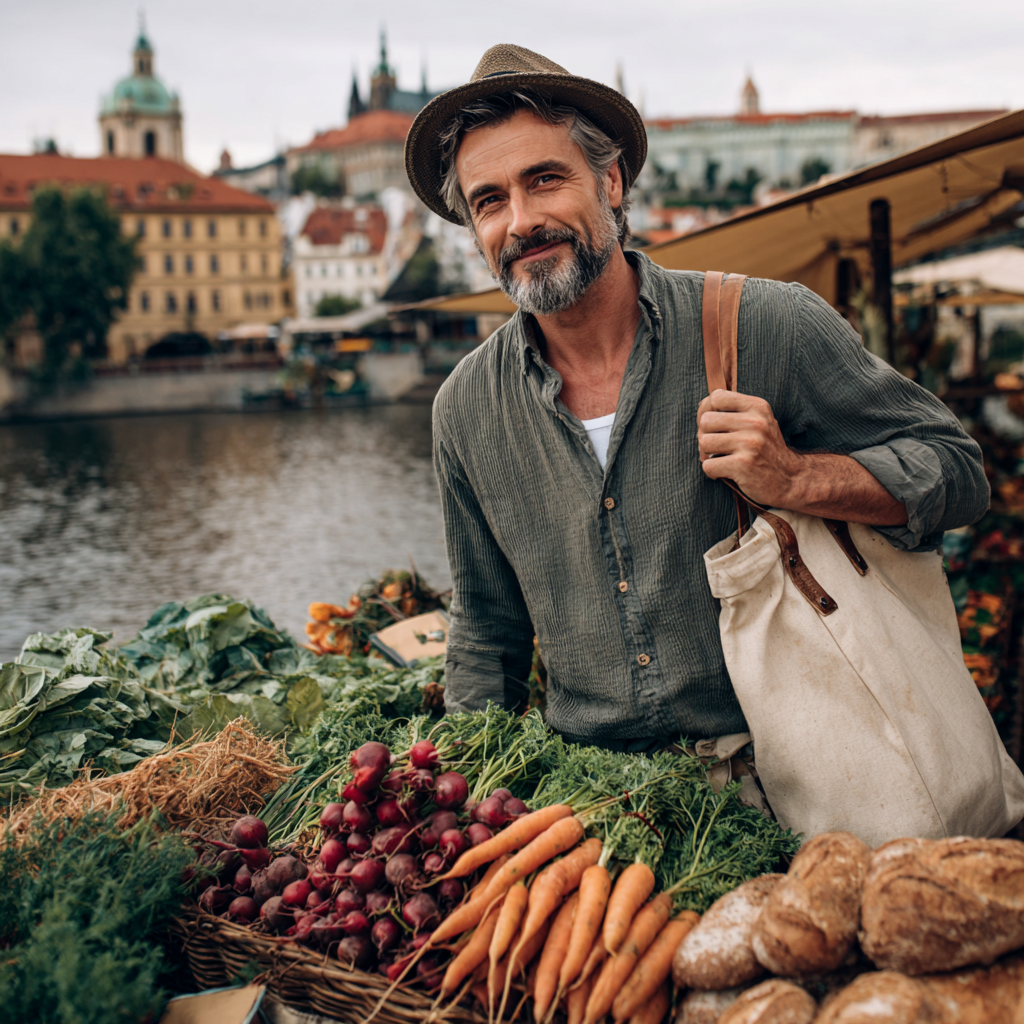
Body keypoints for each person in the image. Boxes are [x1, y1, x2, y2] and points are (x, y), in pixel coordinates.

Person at [404, 45, 989, 749]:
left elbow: (956, 473)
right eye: (489, 201)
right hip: (598, 812)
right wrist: (464, 794)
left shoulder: (766, 324)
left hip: (802, 779)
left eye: (545, 180)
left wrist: (798, 477)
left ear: (611, 182)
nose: (521, 220)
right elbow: (485, 632)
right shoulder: (466, 409)